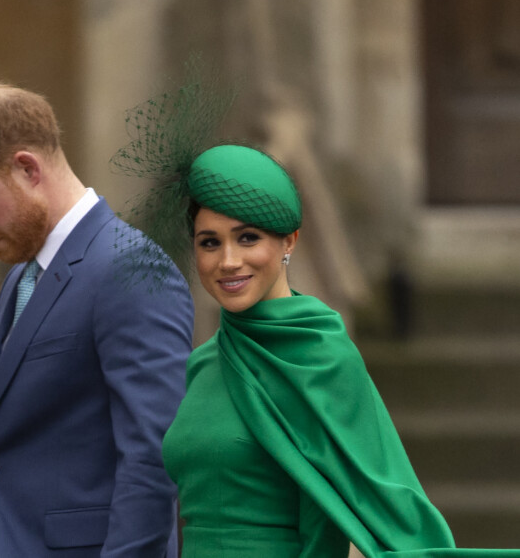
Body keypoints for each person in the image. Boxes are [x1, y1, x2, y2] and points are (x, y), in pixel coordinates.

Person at [116, 132, 519, 556]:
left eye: (248, 237)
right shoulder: (203, 363)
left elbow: (367, 509)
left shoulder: (321, 355)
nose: (228, 260)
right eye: (210, 242)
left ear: (289, 240)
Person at [0, 81, 194, 557]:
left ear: (27, 168)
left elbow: (154, 460)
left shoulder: (131, 268)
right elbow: (53, 427)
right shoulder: (22, 275)